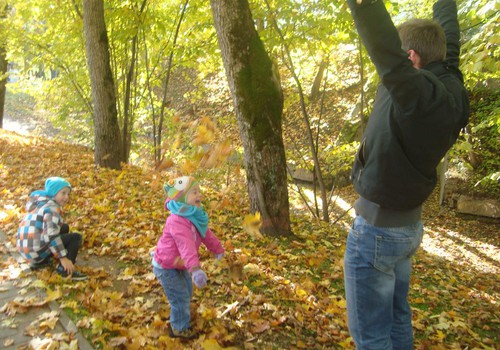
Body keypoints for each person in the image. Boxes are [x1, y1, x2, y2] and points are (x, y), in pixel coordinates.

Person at [344, 0, 469, 348]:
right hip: (406, 229)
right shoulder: (451, 86)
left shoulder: (418, 95)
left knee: (371, 335)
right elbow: (451, 40)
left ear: (412, 59)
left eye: (403, 60)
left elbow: (385, 52)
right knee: (397, 318)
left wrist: (364, 7)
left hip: (376, 233)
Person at [152, 176, 224, 340]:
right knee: (180, 297)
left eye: (199, 191)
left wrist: (218, 250)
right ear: (183, 198)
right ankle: (178, 328)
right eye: (194, 192)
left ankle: (180, 313)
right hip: (166, 265)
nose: (199, 195)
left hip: (179, 264)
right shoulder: (177, 220)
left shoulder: (194, 216)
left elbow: (206, 234)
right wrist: (196, 270)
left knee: (187, 291)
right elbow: (186, 246)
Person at [17, 177, 87, 281]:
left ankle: (41, 262)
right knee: (75, 238)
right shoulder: (52, 208)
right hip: (35, 252)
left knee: (64, 227)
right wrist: (63, 258)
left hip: (27, 251)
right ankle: (64, 270)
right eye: (63, 193)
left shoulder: (40, 203)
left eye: (68, 194)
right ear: (54, 192)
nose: (66, 197)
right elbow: (51, 235)